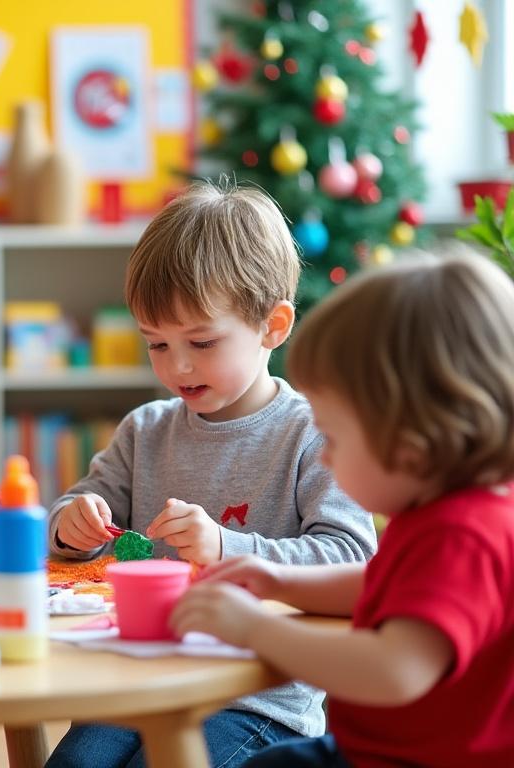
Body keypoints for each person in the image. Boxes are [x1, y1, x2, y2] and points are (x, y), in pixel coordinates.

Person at [46, 182, 376, 768]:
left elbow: (354, 560)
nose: (177, 366)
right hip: (134, 680)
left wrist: (228, 547)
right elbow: (74, 516)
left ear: (273, 327)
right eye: (156, 344)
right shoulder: (145, 429)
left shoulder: (313, 432)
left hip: (254, 700)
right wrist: (71, 523)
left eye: (201, 341)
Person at [173, 255, 514, 767]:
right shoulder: (446, 513)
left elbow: (395, 669)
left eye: (332, 437)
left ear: (412, 440)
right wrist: (280, 581)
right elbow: (383, 584)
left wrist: (257, 630)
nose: (325, 455)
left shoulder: (463, 534)